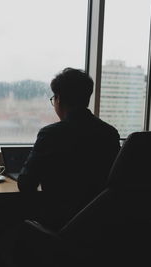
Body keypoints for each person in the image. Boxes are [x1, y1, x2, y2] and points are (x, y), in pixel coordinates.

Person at [17, 67, 121, 230]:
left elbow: (26, 183)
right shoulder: (110, 133)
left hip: (59, 225)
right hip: (98, 227)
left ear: (58, 99)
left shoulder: (51, 134)